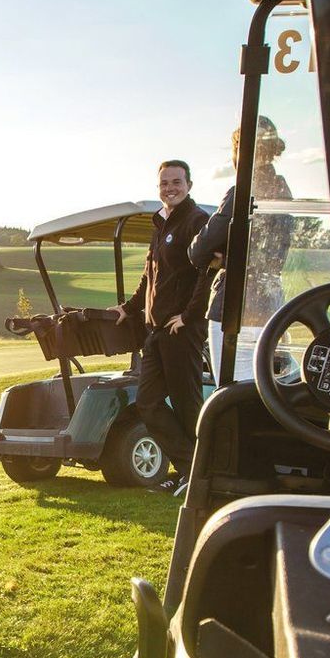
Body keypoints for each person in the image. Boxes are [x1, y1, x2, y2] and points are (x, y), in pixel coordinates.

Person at [114, 159, 209, 493]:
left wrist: (190, 315)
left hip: (181, 331)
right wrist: (129, 308)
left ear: (189, 185)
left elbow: (207, 273)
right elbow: (149, 276)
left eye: (177, 182)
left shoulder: (198, 221)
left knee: (187, 405)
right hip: (155, 332)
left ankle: (201, 474)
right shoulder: (161, 224)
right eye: (165, 183)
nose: (170, 187)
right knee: (148, 403)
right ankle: (191, 468)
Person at [189, 115, 295, 384]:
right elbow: (272, 255)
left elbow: (198, 251)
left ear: (240, 151)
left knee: (231, 389)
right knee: (268, 388)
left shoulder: (241, 192)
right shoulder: (283, 190)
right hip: (271, 307)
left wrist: (226, 260)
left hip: (234, 309)